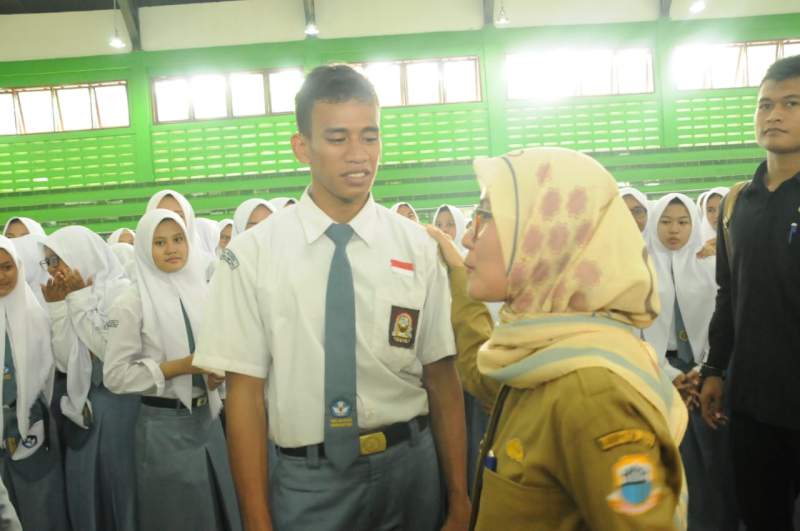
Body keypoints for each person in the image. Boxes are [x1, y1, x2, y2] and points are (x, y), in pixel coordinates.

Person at [193, 64, 469, 531]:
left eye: (370, 137)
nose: (359, 155)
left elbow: (441, 375)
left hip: (411, 470)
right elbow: (245, 397)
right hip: (310, 483)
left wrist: (459, 498)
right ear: (302, 147)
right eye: (338, 138)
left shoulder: (417, 248)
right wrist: (257, 521)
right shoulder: (252, 256)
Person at [430, 147, 687, 529]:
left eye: (484, 218)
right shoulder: (541, 354)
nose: (467, 237)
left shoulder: (594, 394)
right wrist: (457, 273)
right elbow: (482, 377)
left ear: (545, 238)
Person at [701, 54, 800, 530]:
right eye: (765, 104)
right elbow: (728, 294)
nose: (773, 114)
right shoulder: (736, 202)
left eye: (791, 103)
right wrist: (714, 369)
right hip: (754, 405)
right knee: (762, 518)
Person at [104, 209, 241, 531]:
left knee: (219, 511)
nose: (171, 249)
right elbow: (115, 376)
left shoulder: (201, 292)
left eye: (178, 239)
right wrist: (178, 367)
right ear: (144, 248)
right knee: (177, 518)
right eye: (160, 242)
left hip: (208, 419)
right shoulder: (131, 301)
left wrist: (214, 376)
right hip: (163, 428)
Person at [643, 193, 736, 530]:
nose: (674, 230)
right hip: (659, 371)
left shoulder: (709, 264)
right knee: (677, 458)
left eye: (683, 222)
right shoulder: (642, 269)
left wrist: (705, 370)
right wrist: (669, 374)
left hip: (708, 373)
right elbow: (636, 329)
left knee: (716, 454)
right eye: (666, 222)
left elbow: (724, 320)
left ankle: (722, 521)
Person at [40, 226, 138, 531]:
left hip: (123, 407)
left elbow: (109, 353)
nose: (53, 269)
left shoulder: (122, 292)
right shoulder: (67, 295)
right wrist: (59, 308)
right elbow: (65, 361)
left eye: (57, 259)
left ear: (80, 255)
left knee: (123, 489)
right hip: (85, 407)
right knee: (90, 489)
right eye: (48, 262)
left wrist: (80, 300)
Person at [0, 237, 69, 530]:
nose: (1, 275)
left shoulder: (35, 315)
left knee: (40, 510)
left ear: (19, 267)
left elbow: (54, 369)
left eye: (7, 267)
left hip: (32, 428)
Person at [695, 187, 729, 259]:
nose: (717, 215)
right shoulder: (697, 245)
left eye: (722, 208)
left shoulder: (742, 240)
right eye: (710, 210)